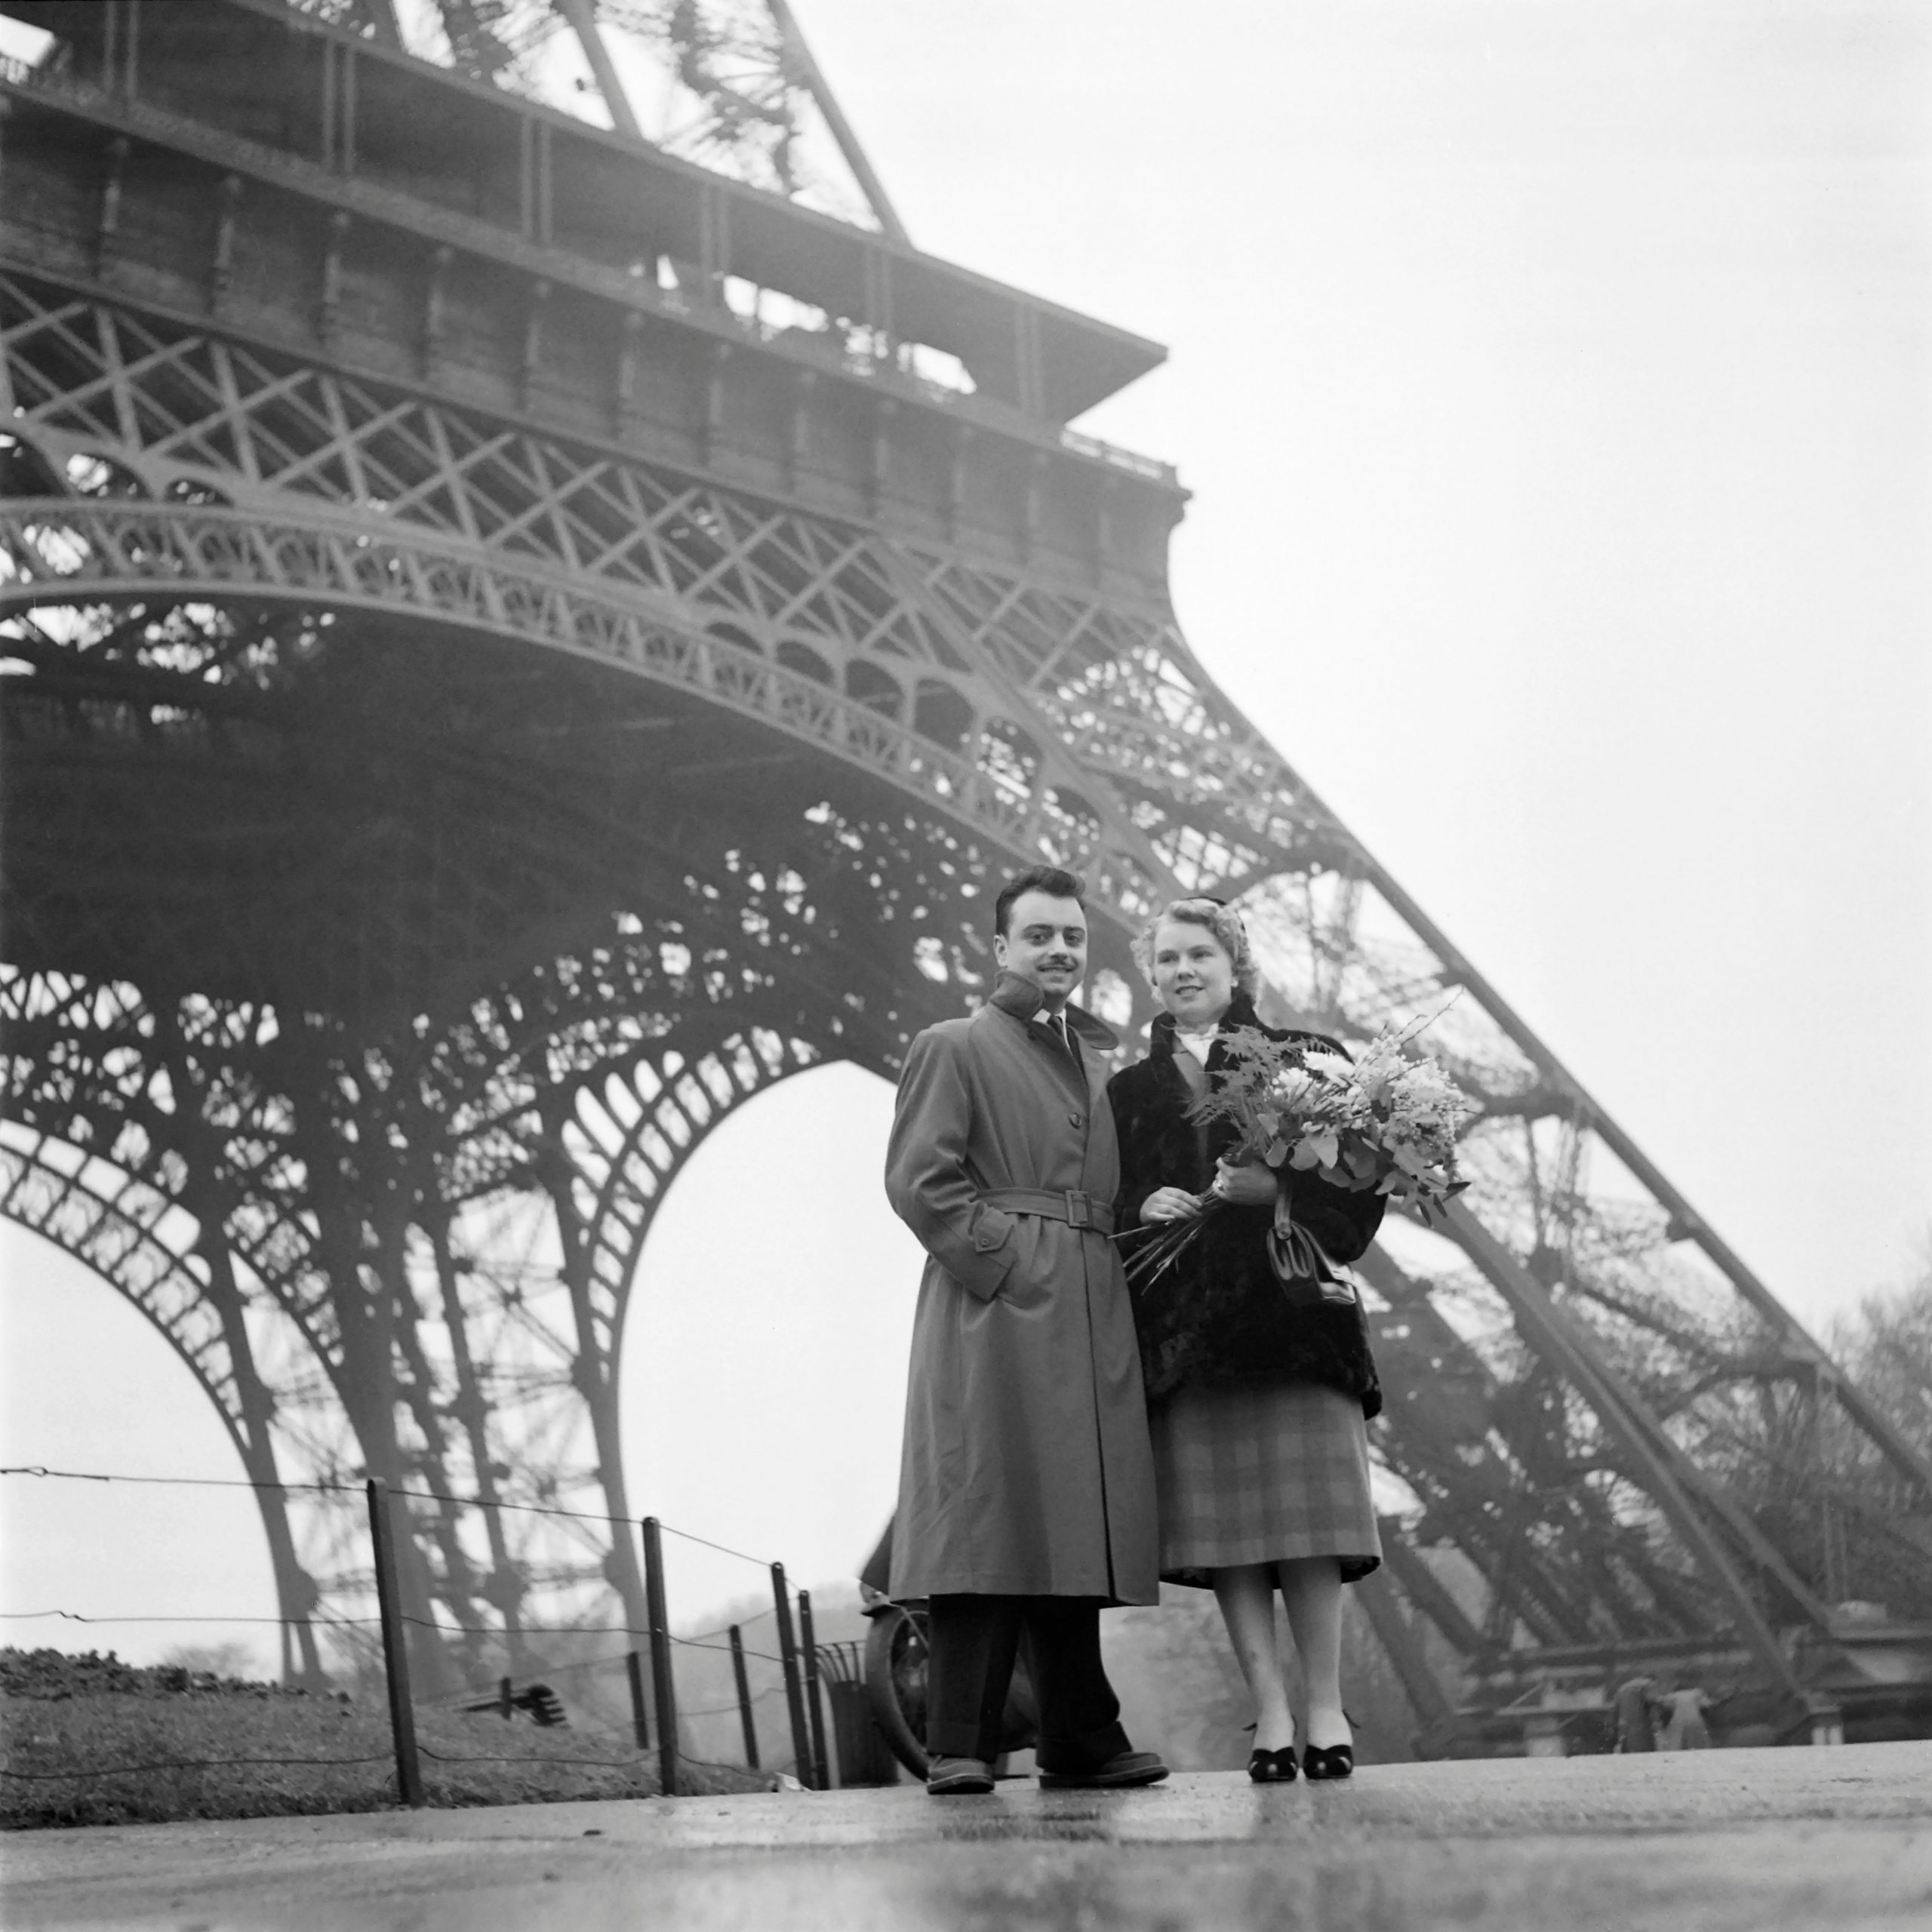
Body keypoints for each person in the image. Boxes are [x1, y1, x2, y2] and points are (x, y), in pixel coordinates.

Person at [884, 864, 1168, 1797]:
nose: (1058, 950)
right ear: (1000, 946)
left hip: (1089, 1303)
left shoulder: (1095, 1064)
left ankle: (1078, 1732)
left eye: (1072, 937)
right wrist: (1003, 1263)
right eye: (1039, 934)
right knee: (985, 1510)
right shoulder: (952, 1044)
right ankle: (958, 1738)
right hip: (995, 1310)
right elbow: (919, 1180)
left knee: (1067, 1519)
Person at [1108, 897, 1386, 1783]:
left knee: (1310, 1528)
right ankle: (1269, 1712)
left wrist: (1284, 1196)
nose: (1182, 972)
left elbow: (1362, 1185)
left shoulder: (1306, 1060)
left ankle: (1324, 1706)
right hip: (1193, 1335)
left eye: (1198, 955)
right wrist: (1136, 1207)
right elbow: (1101, 1211)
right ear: (1150, 976)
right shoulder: (1122, 1092)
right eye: (1165, 961)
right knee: (1232, 1539)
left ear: (1234, 964)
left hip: (1294, 1321)